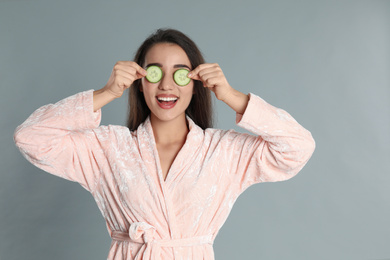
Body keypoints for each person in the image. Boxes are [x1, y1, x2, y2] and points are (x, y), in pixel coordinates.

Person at [14, 28, 315, 260]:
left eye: (179, 73)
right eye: (155, 72)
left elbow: (298, 146)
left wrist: (232, 96)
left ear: (196, 81)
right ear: (139, 80)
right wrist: (106, 92)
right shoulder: (108, 148)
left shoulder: (223, 151)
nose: (167, 85)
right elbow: (30, 137)